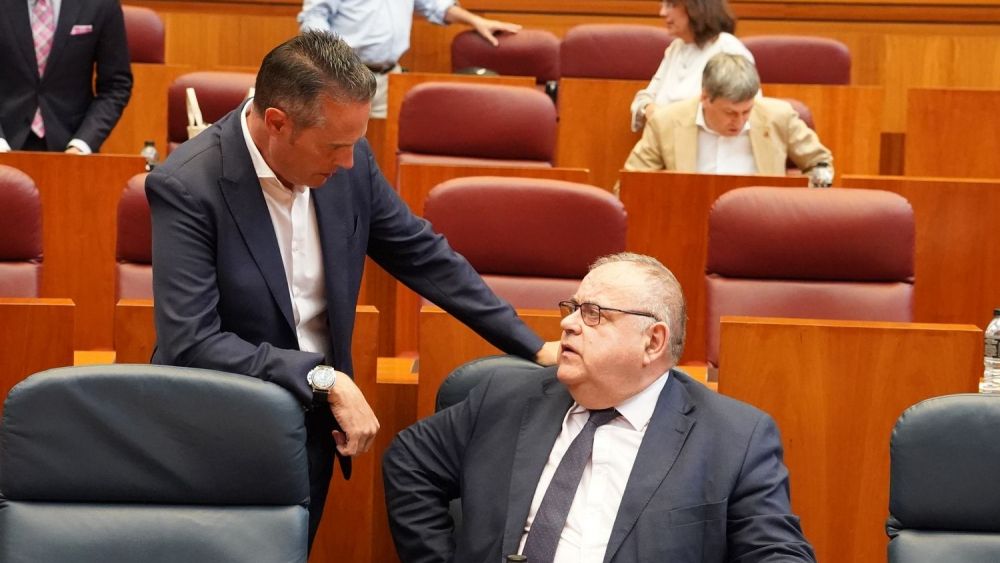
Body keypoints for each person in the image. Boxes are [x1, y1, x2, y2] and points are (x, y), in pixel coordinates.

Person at [145, 31, 557, 547]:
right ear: (277, 123)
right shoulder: (188, 184)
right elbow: (192, 341)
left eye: (354, 144)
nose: (347, 163)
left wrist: (531, 344)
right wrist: (324, 378)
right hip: (214, 429)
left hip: (310, 428)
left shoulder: (348, 160)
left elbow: (421, 253)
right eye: (335, 147)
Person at [384, 252, 816, 562]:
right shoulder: (502, 397)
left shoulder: (733, 438)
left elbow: (776, 551)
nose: (568, 323)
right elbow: (408, 461)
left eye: (593, 313)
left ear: (653, 342)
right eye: (572, 308)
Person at [624, 53, 834, 187]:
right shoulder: (666, 122)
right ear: (705, 97)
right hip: (689, 219)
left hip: (764, 221)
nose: (740, 121)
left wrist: (805, 199)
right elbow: (630, 183)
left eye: (747, 111)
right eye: (730, 113)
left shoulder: (779, 116)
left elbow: (820, 163)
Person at [297, 0, 521, 118]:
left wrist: (475, 20)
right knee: (342, 147)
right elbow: (314, 18)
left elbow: (437, 5)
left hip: (389, 78)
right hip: (344, 77)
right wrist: (336, 62)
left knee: (382, 153)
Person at [0, 0, 133, 153]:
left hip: (72, 142)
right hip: (5, 137)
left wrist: (83, 143)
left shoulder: (101, 4)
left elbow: (116, 85)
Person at [629, 0, 752, 132]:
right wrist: (649, 109)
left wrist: (666, 117)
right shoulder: (676, 48)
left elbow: (744, 115)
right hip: (665, 139)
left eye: (672, 5)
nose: (662, 13)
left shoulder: (728, 50)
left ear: (697, 7)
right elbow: (644, 98)